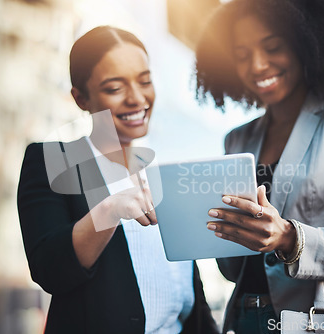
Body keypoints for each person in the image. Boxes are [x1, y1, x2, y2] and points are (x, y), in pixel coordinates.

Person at [195, 0, 324, 333]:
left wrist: (290, 238)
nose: (257, 65)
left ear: (306, 41)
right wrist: (206, 225)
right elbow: (233, 269)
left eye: (273, 47)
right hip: (247, 320)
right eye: (242, 55)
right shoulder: (237, 140)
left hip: (321, 323)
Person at [18, 26, 218, 334]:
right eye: (115, 88)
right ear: (81, 98)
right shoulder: (55, 161)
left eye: (145, 81)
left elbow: (188, 292)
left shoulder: (159, 174)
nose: (137, 98)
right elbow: (50, 269)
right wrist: (109, 210)